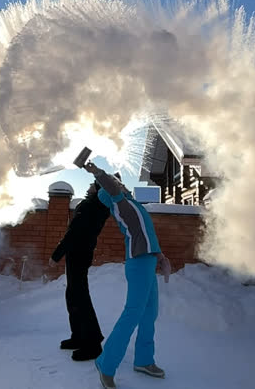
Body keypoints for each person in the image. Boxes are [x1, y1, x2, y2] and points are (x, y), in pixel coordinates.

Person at [84, 162, 171, 389]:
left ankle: (143, 360)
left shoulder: (132, 204)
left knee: (149, 313)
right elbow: (111, 186)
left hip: (148, 261)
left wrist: (160, 256)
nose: (121, 184)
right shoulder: (118, 203)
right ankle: (106, 364)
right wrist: (97, 172)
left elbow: (147, 233)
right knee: (132, 314)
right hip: (138, 262)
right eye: (117, 182)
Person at [48, 180, 111, 361]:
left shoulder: (91, 206)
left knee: (80, 298)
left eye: (93, 184)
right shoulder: (96, 205)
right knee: (73, 296)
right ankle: (79, 336)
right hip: (81, 254)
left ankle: (92, 344)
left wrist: (56, 255)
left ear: (98, 190)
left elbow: (74, 232)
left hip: (78, 254)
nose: (89, 185)